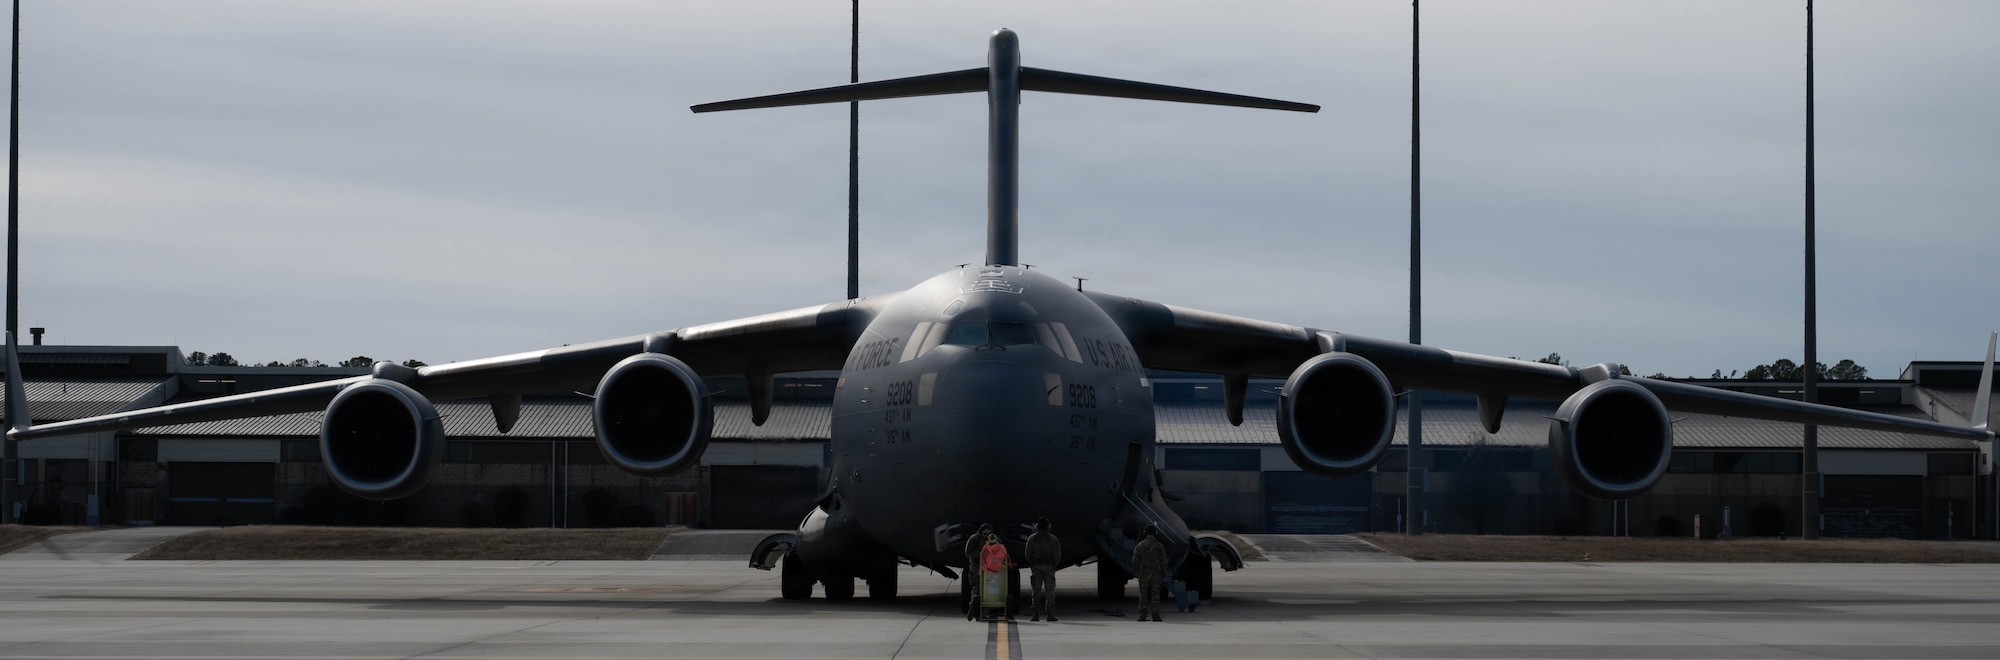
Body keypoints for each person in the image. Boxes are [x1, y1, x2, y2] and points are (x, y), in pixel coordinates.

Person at [1023, 517, 1061, 621]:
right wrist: (1054, 566)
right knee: (1050, 591)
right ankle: (1050, 614)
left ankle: (1035, 614)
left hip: (1036, 566)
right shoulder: (1053, 539)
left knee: (1036, 590)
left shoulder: (1032, 538)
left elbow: (1027, 554)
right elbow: (1057, 556)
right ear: (1048, 526)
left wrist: (1032, 565)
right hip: (1049, 567)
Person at [1132, 525, 1167, 622]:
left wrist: (1137, 571)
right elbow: (1164, 561)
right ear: (1155, 533)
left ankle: (1142, 616)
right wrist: (1163, 573)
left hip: (1143, 574)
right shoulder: (1159, 546)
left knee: (1143, 596)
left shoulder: (1139, 546)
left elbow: (1134, 561)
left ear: (1145, 533)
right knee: (1155, 596)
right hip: (1156, 575)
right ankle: (1156, 616)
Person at [962, 522, 993, 611]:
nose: (986, 536)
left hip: (988, 566)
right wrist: (980, 554)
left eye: (988, 534)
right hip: (976, 565)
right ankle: (973, 607)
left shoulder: (991, 539)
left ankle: (985, 609)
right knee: (976, 589)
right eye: (985, 534)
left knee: (988, 588)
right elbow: (967, 553)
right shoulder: (974, 539)